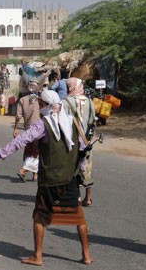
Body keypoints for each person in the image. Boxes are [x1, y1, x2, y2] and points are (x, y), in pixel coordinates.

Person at [0, 90, 93, 266]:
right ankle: (86, 255)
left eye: (40, 104)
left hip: (49, 179)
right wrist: (81, 171)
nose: (39, 107)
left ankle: (38, 256)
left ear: (45, 105)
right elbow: (83, 151)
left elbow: (20, 142)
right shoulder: (73, 122)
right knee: (78, 216)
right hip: (69, 179)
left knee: (40, 217)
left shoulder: (42, 125)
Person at [63, 78, 96, 206]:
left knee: (72, 168)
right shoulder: (89, 101)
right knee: (86, 168)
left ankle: (75, 197)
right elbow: (93, 122)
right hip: (86, 140)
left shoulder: (65, 102)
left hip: (71, 141)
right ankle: (88, 198)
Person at [13, 79, 41, 182]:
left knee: (31, 150)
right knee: (35, 151)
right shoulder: (40, 99)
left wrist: (15, 128)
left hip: (28, 129)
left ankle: (35, 174)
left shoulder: (23, 99)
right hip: (39, 130)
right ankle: (23, 170)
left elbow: (18, 116)